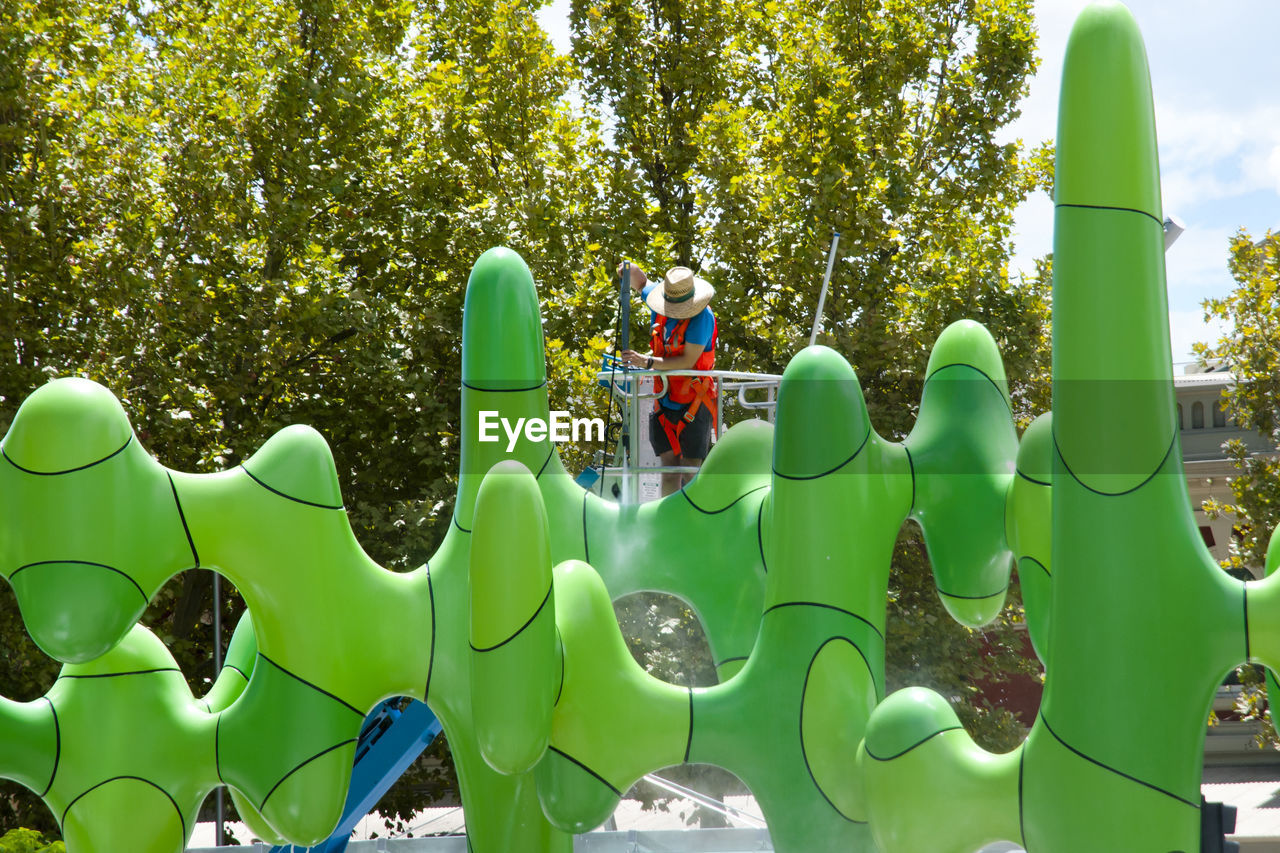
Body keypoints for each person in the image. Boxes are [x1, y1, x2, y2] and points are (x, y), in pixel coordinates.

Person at [620, 264, 717, 496]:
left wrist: (647, 362)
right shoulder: (659, 302)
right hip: (664, 401)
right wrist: (626, 271)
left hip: (694, 402)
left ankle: (695, 522)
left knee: (691, 472)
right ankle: (669, 526)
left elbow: (687, 360)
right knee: (670, 472)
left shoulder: (702, 318)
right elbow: (641, 282)